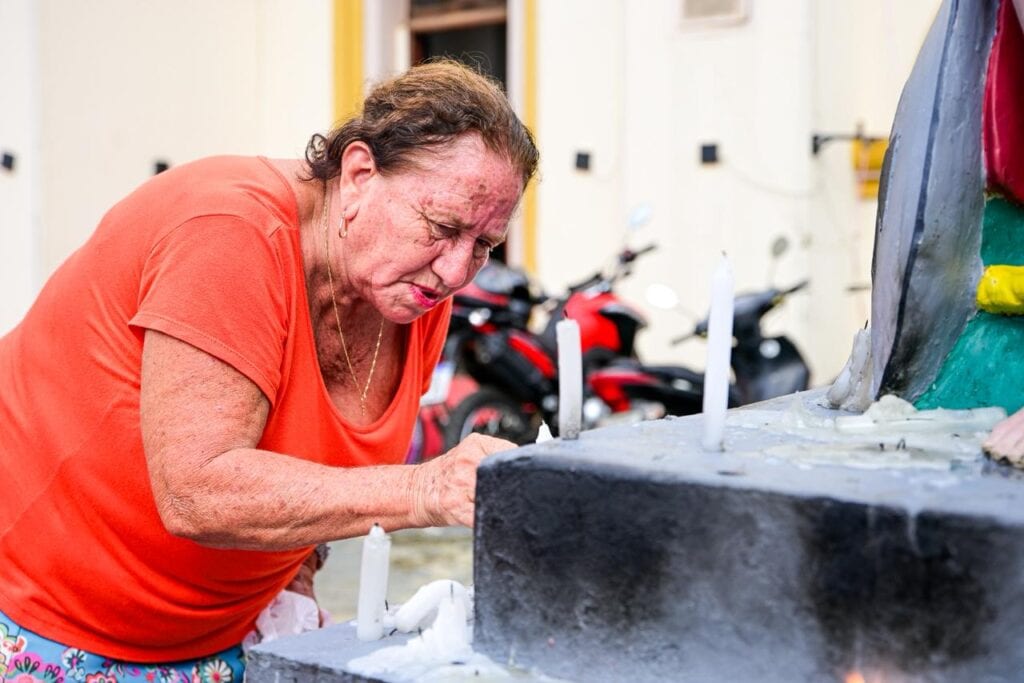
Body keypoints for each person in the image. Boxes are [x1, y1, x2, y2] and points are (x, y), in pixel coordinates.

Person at [0, 60, 538, 680]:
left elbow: (316, 463)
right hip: (45, 618)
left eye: (484, 245)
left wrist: (298, 573)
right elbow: (197, 491)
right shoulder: (230, 232)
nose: (456, 271)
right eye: (442, 226)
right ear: (359, 174)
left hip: (223, 634)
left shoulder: (410, 290)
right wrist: (425, 489)